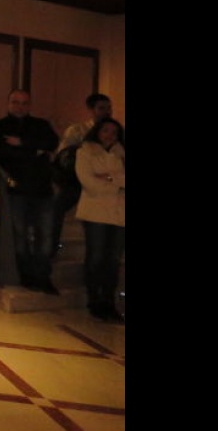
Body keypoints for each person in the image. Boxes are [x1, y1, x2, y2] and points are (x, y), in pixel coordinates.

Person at [0, 88, 61, 294]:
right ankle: (27, 275)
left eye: (24, 102)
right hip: (16, 190)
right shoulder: (0, 126)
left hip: (43, 188)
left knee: (45, 236)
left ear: (29, 105)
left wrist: (21, 144)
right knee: (19, 237)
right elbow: (0, 154)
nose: (20, 106)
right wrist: (35, 152)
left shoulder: (41, 125)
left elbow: (52, 143)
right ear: (8, 103)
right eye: (15, 102)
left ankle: (43, 276)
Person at [74, 117, 126, 323]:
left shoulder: (121, 153)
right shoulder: (84, 151)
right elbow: (89, 183)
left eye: (114, 132)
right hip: (95, 212)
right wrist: (118, 182)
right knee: (96, 257)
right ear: (98, 131)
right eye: (106, 131)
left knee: (113, 260)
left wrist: (109, 177)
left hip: (118, 213)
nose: (110, 136)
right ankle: (94, 299)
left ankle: (108, 301)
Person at [54, 93, 115, 252]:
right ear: (91, 110)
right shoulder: (77, 130)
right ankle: (52, 245)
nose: (107, 112)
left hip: (105, 182)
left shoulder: (115, 132)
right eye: (101, 108)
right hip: (77, 181)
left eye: (109, 108)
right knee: (56, 207)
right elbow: (63, 156)